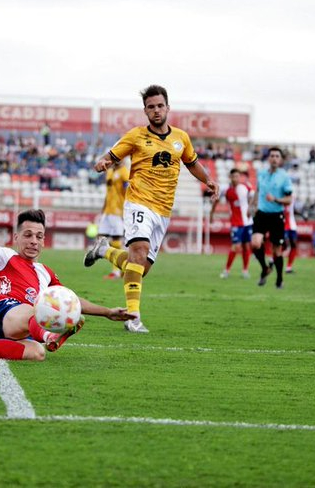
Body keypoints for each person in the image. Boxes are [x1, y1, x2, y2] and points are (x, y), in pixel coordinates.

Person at [84, 84, 220, 333]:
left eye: (160, 106)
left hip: (163, 210)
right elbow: (111, 156)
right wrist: (102, 162)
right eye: (151, 107)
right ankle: (133, 318)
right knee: (139, 251)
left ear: (168, 107)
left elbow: (192, 163)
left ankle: (104, 250)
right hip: (139, 202)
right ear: (145, 111)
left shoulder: (181, 138)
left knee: (139, 268)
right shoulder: (135, 135)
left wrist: (208, 180)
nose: (156, 110)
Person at [0, 201, 133, 361]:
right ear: (16, 237)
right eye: (28, 235)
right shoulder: (5, 256)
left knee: (38, 353)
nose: (33, 241)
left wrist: (108, 312)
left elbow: (71, 301)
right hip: (3, 313)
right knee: (39, 309)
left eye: (39, 237)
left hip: (26, 329)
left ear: (43, 241)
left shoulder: (45, 273)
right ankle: (49, 336)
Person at [250, 147, 293, 289]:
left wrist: (275, 199)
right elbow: (257, 191)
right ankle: (265, 268)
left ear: (280, 159)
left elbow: (289, 199)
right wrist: (252, 206)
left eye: (277, 156)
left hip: (276, 216)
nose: (274, 158)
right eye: (272, 156)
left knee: (277, 251)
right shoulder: (261, 173)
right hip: (261, 213)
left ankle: (279, 279)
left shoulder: (284, 176)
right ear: (268, 158)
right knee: (255, 243)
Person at [214, 165, 254, 279]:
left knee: (246, 246)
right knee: (236, 246)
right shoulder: (226, 190)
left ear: (239, 177)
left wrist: (250, 208)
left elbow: (253, 196)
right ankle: (226, 270)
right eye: (233, 176)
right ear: (230, 177)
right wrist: (212, 213)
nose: (235, 178)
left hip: (248, 222)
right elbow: (216, 199)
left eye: (237, 176)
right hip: (236, 222)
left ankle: (245, 271)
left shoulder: (245, 187)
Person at [97, 158, 129, 279]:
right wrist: (103, 208)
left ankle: (117, 271)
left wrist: (126, 210)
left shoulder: (125, 173)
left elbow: (128, 192)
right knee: (101, 239)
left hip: (118, 211)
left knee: (116, 239)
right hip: (108, 210)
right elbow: (108, 192)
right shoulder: (109, 171)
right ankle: (123, 265)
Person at [282, 188, 299, 273]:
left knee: (294, 245)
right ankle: (273, 261)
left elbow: (293, 209)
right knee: (284, 246)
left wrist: (302, 214)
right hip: (282, 225)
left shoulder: (292, 198)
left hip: (292, 225)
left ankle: (289, 267)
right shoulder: (279, 198)